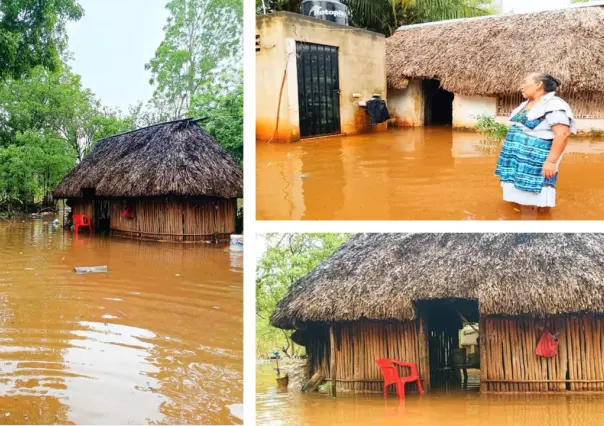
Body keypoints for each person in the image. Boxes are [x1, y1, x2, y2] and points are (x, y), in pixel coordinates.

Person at [495, 73, 576, 210]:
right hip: (517, 159)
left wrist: (551, 161)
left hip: (538, 160)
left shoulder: (554, 104)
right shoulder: (526, 104)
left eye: (525, 82)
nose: (521, 86)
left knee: (540, 196)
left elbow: (562, 134)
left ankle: (542, 224)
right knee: (517, 192)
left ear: (539, 85)